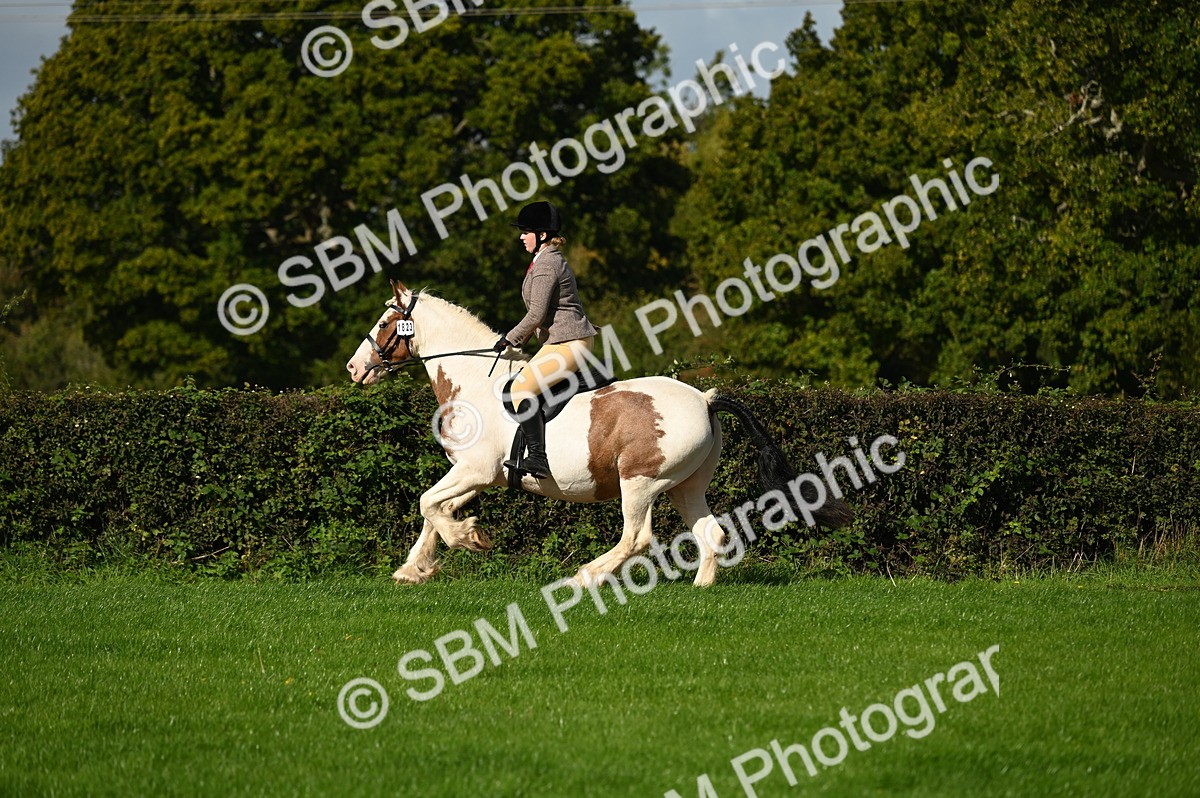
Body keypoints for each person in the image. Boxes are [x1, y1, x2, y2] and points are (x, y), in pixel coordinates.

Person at [493, 201, 598, 479]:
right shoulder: (543, 261)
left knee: (520, 390)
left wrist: (510, 338)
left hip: (569, 343)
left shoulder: (547, 264)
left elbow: (536, 314)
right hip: (559, 343)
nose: (520, 236)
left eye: (525, 231)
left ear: (541, 235)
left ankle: (538, 459)